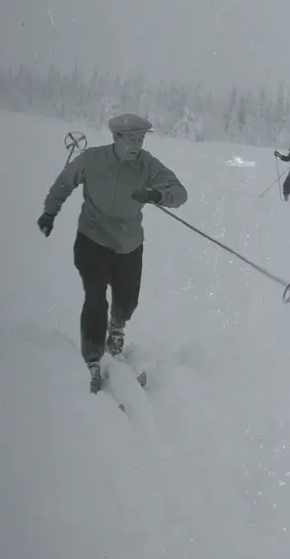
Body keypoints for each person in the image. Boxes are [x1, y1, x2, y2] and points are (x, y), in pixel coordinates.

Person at [37, 113, 188, 394]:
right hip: (92, 238)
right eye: (132, 140)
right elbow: (65, 182)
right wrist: (49, 212)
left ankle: (116, 330)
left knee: (127, 299)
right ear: (116, 138)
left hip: (128, 244)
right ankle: (92, 359)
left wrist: (156, 195)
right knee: (95, 297)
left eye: (140, 140)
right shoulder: (92, 159)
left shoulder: (147, 165)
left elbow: (180, 193)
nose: (137, 146)